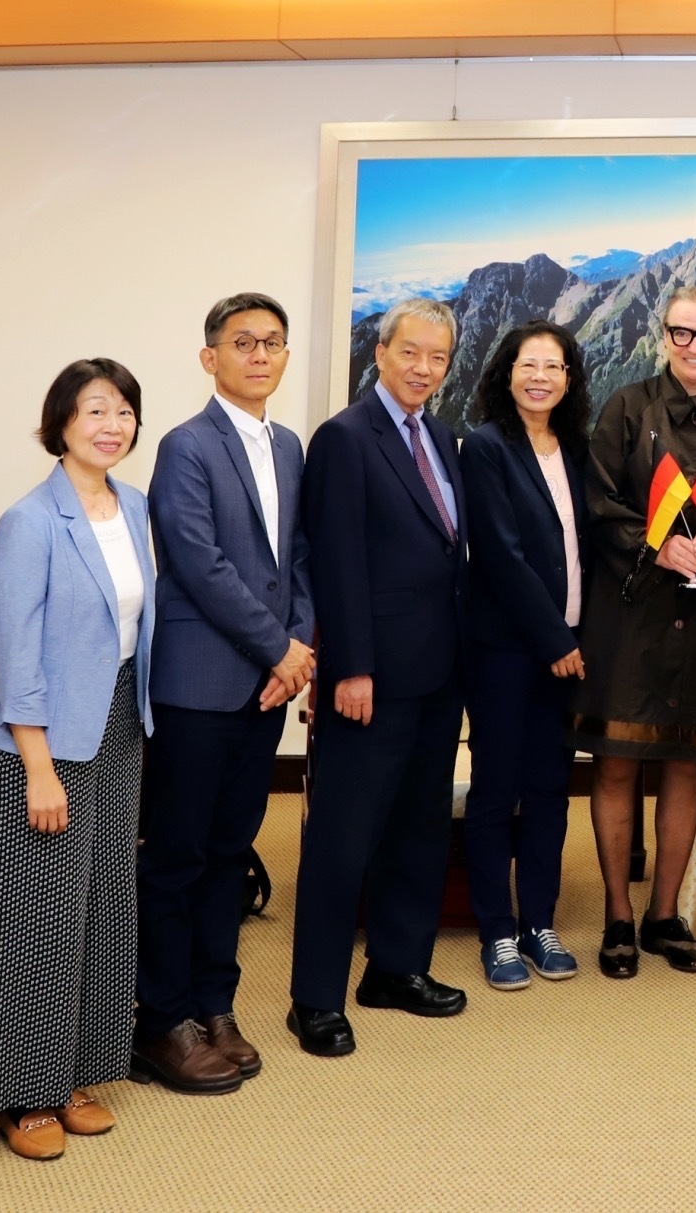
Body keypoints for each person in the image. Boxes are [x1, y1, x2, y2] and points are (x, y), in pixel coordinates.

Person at [0, 359, 154, 1159]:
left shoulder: (133, 506)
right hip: (38, 741)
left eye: (123, 411)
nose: (111, 425)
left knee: (101, 903)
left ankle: (73, 1069)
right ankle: (19, 1092)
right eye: (94, 410)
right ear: (61, 422)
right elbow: (16, 657)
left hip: (116, 725)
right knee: (32, 915)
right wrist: (37, 767)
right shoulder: (29, 520)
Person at [133, 293, 313, 1093]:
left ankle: (214, 1005)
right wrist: (279, 646)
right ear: (211, 357)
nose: (260, 355)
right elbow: (199, 564)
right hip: (198, 685)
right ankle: (161, 1019)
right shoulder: (185, 446)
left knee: (230, 854)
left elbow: (297, 559)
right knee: (177, 856)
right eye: (243, 342)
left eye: (273, 342)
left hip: (264, 690)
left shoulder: (289, 447)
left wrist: (297, 651)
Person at [569, 284, 696, 979]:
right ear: (664, 334)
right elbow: (599, 500)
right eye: (682, 334)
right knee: (617, 760)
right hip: (630, 613)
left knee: (688, 763)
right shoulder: (628, 406)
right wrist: (657, 546)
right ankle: (618, 916)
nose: (695, 347)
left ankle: (664, 915)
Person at [288, 298, 470, 1057]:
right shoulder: (344, 438)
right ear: (381, 352)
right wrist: (350, 666)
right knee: (343, 837)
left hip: (436, 672)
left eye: (438, 357)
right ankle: (316, 999)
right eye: (411, 353)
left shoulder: (439, 435)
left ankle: (395, 968)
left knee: (420, 827)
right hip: (372, 676)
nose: (424, 368)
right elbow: (336, 561)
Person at [458, 321, 593, 991]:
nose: (541, 376)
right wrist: (556, 641)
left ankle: (538, 919)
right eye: (527, 364)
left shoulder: (574, 447)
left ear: (570, 379)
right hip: (509, 650)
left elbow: (584, 551)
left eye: (554, 366)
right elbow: (502, 557)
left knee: (548, 790)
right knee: (496, 790)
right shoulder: (485, 447)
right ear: (507, 372)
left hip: (566, 650)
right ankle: (496, 931)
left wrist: (581, 637)